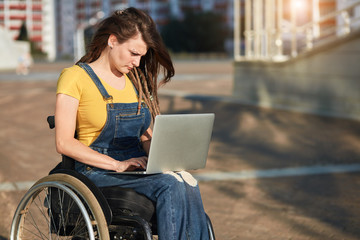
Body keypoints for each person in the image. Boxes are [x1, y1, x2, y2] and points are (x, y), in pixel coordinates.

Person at [55, 7, 210, 240]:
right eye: (133, 53)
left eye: (141, 56)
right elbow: (64, 143)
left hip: (135, 165)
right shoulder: (74, 77)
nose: (137, 63)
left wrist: (166, 159)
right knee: (170, 186)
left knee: (186, 181)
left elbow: (145, 136)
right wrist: (117, 164)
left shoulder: (133, 83)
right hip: (96, 169)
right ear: (113, 40)